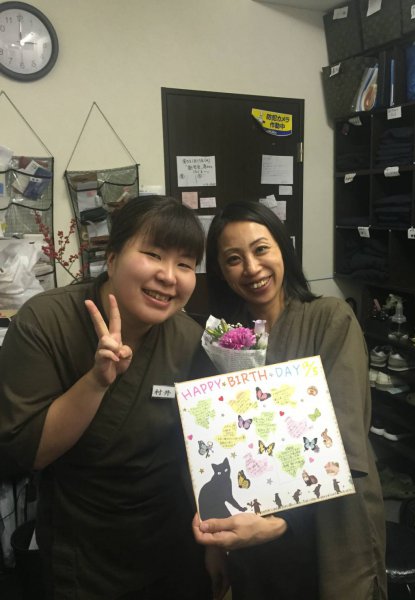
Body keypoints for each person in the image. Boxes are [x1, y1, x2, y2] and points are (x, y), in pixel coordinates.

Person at [0, 196, 228, 600]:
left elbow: (203, 452)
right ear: (112, 258)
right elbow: (28, 452)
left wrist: (214, 544)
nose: (169, 276)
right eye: (153, 254)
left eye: (185, 264)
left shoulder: (190, 339)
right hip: (86, 546)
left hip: (172, 539)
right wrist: (96, 381)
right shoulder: (46, 321)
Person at [192, 200, 387, 599]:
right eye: (233, 259)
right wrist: (214, 541)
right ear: (222, 272)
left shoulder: (330, 318)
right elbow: (212, 438)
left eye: (261, 249)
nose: (252, 268)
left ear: (283, 249)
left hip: (329, 520)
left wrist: (280, 522)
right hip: (248, 526)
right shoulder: (225, 339)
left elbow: (345, 435)